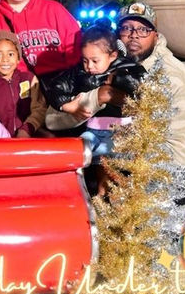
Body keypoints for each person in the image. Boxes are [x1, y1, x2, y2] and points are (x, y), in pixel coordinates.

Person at [47, 1, 185, 204]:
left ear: (156, 35)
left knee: (161, 207)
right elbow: (53, 120)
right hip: (112, 153)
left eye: (143, 29)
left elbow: (181, 143)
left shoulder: (171, 75)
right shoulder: (95, 64)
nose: (134, 35)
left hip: (167, 158)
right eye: (126, 28)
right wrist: (99, 97)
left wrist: (142, 183)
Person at [47, 25, 146, 194]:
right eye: (85, 60)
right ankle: (79, 190)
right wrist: (66, 105)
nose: (89, 67)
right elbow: (55, 88)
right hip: (92, 129)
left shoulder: (126, 68)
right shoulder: (78, 73)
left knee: (112, 166)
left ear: (113, 55)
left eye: (95, 61)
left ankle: (110, 193)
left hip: (120, 132)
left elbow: (141, 86)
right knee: (81, 154)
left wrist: (118, 80)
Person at [0, 30, 46, 137]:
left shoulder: (28, 79)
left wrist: (27, 129)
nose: (5, 59)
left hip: (27, 138)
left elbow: (39, 109)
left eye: (11, 54)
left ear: (18, 58)